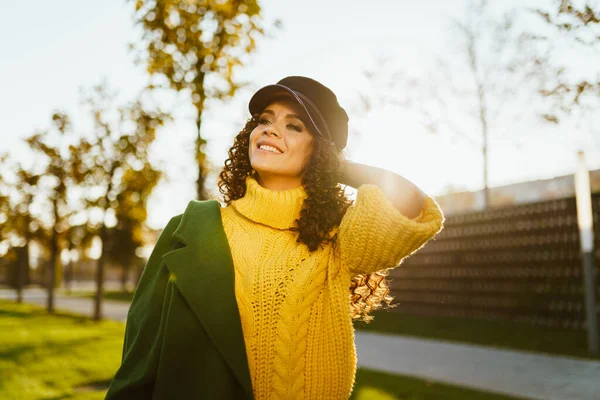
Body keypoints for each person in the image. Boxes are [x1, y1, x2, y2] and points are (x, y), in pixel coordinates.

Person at [105, 76, 445, 400]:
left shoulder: (338, 241)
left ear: (321, 152)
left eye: (294, 126)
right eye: (265, 120)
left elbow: (411, 206)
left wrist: (336, 165)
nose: (270, 129)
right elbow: (140, 360)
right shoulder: (190, 230)